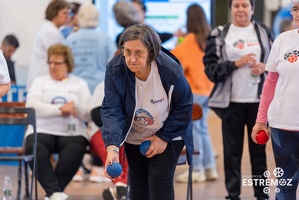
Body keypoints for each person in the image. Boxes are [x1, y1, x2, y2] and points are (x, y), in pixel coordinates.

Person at [101, 24, 193, 200]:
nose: (132, 59)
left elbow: (184, 107)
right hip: (135, 134)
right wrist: (112, 147)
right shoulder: (115, 69)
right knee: (138, 183)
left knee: (160, 180)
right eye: (127, 52)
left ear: (151, 52)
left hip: (169, 132)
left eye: (138, 53)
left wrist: (163, 137)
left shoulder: (170, 70)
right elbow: (112, 109)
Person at [203, 0, 273, 199]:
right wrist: (235, 63)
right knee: (232, 153)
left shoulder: (263, 31)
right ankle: (233, 195)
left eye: (245, 5)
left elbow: (277, 63)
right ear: (231, 9)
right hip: (231, 103)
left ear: (252, 8)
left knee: (259, 153)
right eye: (237, 5)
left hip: (259, 104)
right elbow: (210, 70)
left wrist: (264, 67)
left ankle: (262, 195)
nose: (241, 9)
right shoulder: (220, 34)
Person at [24, 43, 91, 200]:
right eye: (50, 62)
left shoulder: (79, 84)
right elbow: (32, 106)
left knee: (75, 150)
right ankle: (56, 194)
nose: (52, 66)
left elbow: (87, 113)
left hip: (72, 132)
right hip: (42, 130)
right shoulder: (40, 81)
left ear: (67, 64)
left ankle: (53, 193)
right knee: (33, 148)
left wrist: (76, 105)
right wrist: (60, 109)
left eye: (57, 63)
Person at [251, 0, 299, 199]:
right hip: (283, 124)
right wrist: (261, 120)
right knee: (286, 185)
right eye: (295, 9)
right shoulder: (283, 40)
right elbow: (270, 81)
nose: (298, 13)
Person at [171, 3, 218, 183]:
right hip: (209, 91)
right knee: (203, 129)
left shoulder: (189, 41)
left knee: (194, 132)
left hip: (194, 92)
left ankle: (197, 169)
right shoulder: (209, 37)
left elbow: (178, 63)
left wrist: (177, 43)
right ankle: (209, 167)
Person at [88, 81, 129, 200]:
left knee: (129, 148)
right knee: (112, 150)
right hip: (102, 129)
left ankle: (120, 189)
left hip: (129, 130)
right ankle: (122, 188)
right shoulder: (104, 84)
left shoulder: (139, 83)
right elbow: (96, 114)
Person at [26, 0, 71, 90]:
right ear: (55, 13)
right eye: (65, 13)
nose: (68, 17)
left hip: (42, 80)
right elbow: (59, 57)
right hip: (42, 82)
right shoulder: (51, 32)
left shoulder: (48, 29)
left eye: (69, 14)